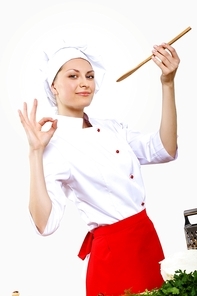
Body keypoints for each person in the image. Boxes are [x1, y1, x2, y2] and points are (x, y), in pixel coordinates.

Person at [18, 39, 180, 296]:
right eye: (73, 76)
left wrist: (167, 84)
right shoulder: (53, 144)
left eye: (90, 76)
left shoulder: (113, 128)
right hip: (114, 257)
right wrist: (35, 153)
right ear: (54, 87)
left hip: (148, 240)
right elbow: (44, 224)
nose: (84, 82)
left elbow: (164, 150)